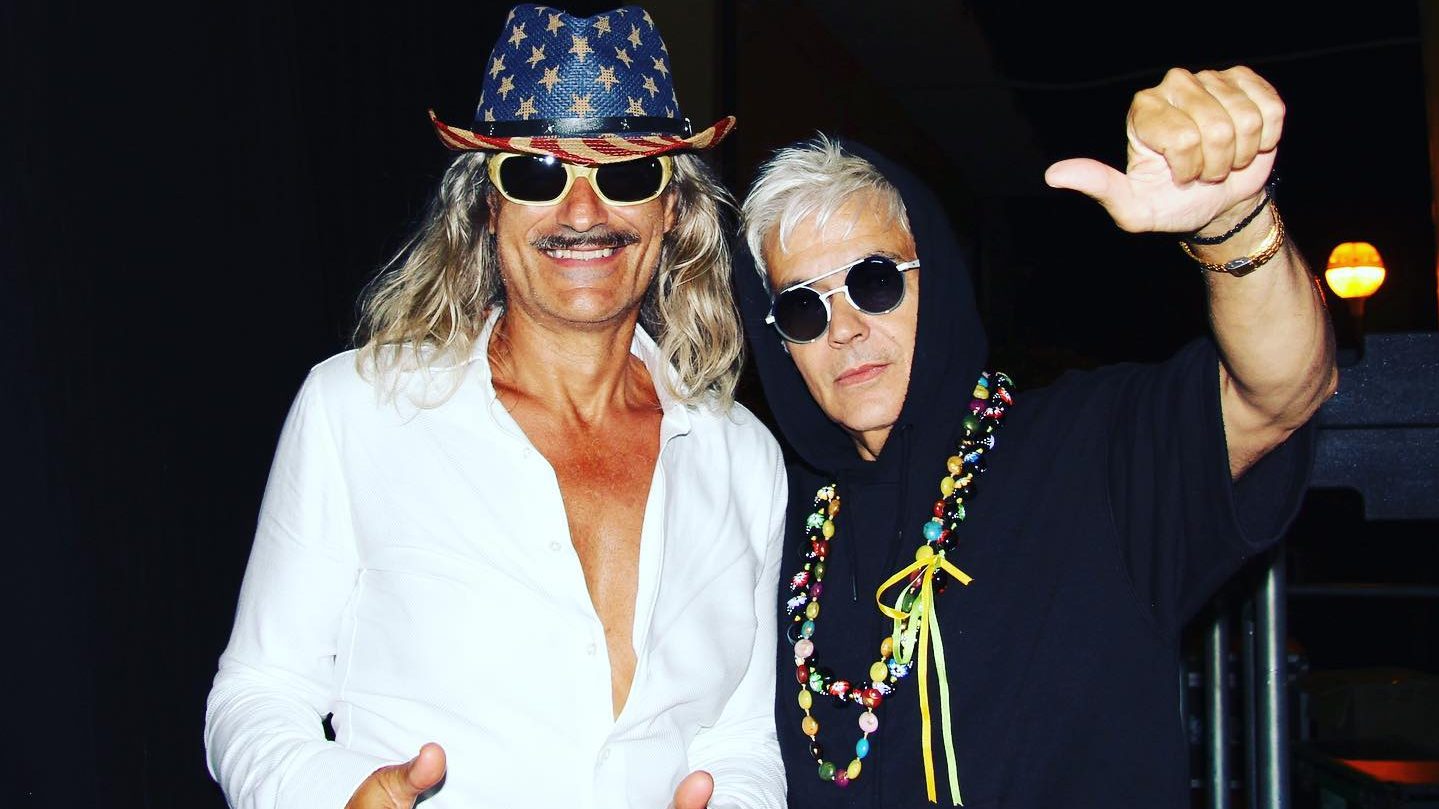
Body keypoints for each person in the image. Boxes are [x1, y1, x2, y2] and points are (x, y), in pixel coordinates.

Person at [204, 5, 786, 808]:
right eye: (536, 175)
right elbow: (260, 690)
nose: (581, 213)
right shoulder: (356, 410)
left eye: (625, 175)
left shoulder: (745, 460)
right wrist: (336, 796)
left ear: (673, 210)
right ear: (486, 207)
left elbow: (740, 738)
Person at [732, 66, 1336, 807]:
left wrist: (1232, 222)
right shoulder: (777, 520)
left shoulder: (1086, 449)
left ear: (937, 279)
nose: (845, 328)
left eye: (874, 281)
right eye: (803, 307)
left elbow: (1277, 390)